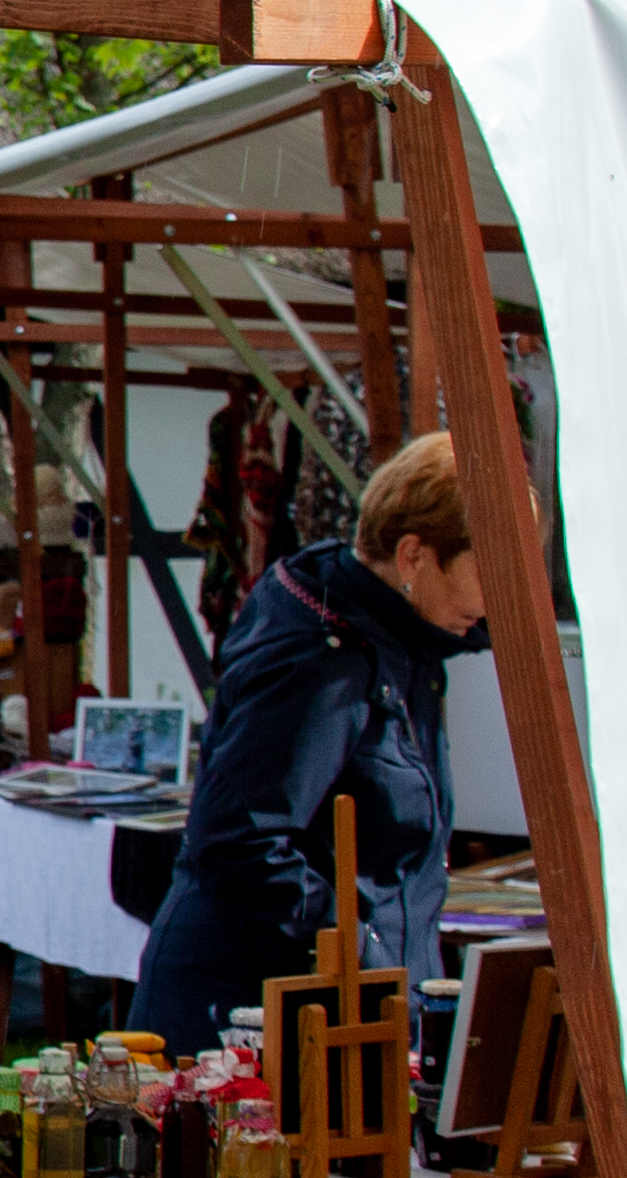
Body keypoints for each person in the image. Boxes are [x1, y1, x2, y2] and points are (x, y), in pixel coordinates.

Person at [125, 433, 487, 1056]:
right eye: (488, 571)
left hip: (346, 1009)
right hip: (255, 1020)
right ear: (413, 555)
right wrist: (358, 949)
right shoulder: (323, 663)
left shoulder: (403, 644)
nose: (497, 600)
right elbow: (239, 839)